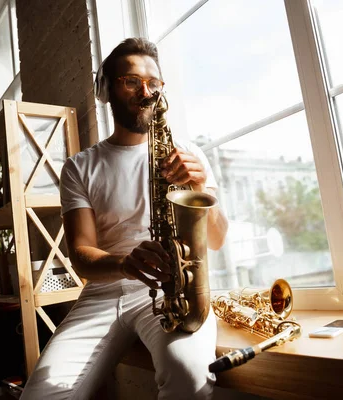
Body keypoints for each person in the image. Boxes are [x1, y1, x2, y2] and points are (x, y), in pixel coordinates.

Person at [20, 38, 229, 400]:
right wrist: (127, 264)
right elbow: (82, 253)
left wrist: (198, 184)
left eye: (154, 83)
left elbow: (217, 239)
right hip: (102, 293)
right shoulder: (80, 166)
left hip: (174, 289)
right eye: (131, 81)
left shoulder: (189, 155)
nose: (146, 92)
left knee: (190, 380)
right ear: (107, 89)